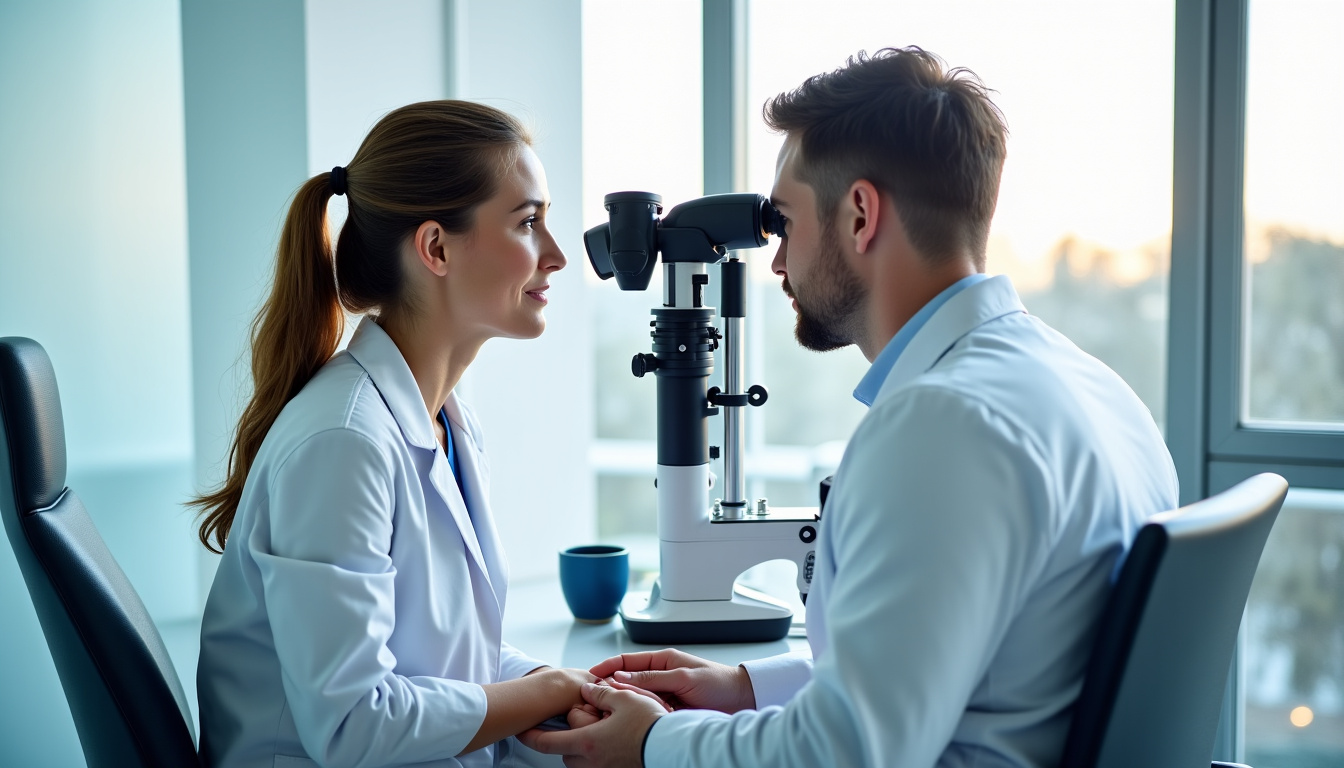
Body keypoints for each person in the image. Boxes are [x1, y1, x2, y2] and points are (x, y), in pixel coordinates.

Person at [520, 47, 1180, 768]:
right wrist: (747, 688)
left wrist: (652, 744)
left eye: (787, 222)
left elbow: (847, 754)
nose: (776, 264)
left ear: (861, 214)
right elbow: (955, 671)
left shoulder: (941, 427)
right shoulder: (1097, 392)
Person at [193, 100, 595, 768]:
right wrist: (549, 691)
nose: (555, 255)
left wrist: (570, 693)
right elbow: (353, 725)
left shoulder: (442, 420)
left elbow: (442, 656)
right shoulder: (343, 443)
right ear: (436, 247)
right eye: (529, 223)